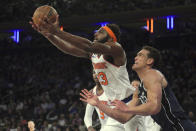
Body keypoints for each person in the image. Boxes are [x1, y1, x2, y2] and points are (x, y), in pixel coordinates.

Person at [30, 15, 138, 131]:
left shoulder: (116, 49)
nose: (96, 34)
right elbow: (69, 49)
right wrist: (50, 35)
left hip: (130, 102)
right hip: (115, 107)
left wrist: (58, 32)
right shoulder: (94, 54)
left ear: (111, 38)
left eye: (101, 32)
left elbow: (89, 46)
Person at [80, 46, 196, 131]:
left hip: (181, 127)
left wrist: (127, 109)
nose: (136, 57)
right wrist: (98, 104)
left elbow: (154, 107)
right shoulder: (139, 90)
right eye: (137, 55)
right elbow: (123, 118)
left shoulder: (153, 74)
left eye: (141, 55)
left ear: (150, 61)